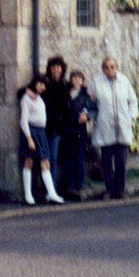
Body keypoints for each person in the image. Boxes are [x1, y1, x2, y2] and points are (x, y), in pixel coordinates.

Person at [90, 57, 139, 199]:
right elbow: (91, 104)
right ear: (103, 69)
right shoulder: (96, 82)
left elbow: (133, 101)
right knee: (106, 161)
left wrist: (131, 117)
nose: (110, 70)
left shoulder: (124, 81)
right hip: (105, 127)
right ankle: (109, 189)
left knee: (121, 160)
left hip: (123, 126)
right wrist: (94, 118)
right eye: (106, 67)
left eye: (112, 66)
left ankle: (120, 190)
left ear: (116, 67)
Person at [18, 76, 65, 205]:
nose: (43, 87)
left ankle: (52, 193)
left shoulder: (38, 97)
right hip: (31, 132)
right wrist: (29, 139)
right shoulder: (26, 99)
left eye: (44, 85)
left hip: (41, 132)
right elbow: (23, 121)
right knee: (29, 161)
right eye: (40, 84)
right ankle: (28, 195)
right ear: (35, 83)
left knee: (45, 162)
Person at [61, 70, 98, 200]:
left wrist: (86, 116)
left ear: (82, 81)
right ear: (71, 80)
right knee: (68, 158)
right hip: (67, 130)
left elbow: (93, 110)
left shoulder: (85, 95)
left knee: (79, 158)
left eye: (79, 78)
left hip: (79, 130)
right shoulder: (66, 93)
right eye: (74, 78)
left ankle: (78, 186)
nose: (76, 80)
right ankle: (69, 186)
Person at [42, 56, 70, 196]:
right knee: (44, 158)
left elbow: (67, 108)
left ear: (62, 69)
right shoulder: (44, 83)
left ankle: (51, 189)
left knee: (53, 158)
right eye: (53, 67)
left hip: (57, 128)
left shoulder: (65, 86)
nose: (55, 70)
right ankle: (46, 188)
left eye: (58, 67)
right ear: (49, 69)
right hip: (43, 126)